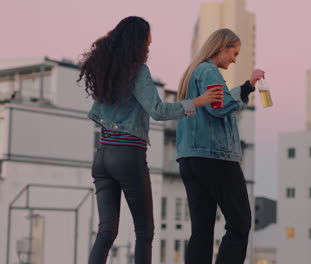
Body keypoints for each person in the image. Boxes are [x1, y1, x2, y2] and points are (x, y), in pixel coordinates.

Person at [77, 16, 223, 264]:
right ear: (136, 43)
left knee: (106, 230)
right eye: (147, 44)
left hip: (102, 156)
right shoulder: (137, 70)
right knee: (144, 231)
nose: (148, 50)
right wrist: (197, 102)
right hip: (128, 156)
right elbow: (158, 110)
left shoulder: (107, 70)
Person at [176, 28, 264, 264]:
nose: (235, 59)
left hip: (190, 158)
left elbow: (213, 104)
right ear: (222, 47)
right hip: (215, 157)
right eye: (234, 52)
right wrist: (247, 87)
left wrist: (244, 89)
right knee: (240, 223)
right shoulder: (208, 71)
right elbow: (220, 106)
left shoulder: (193, 73)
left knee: (202, 230)